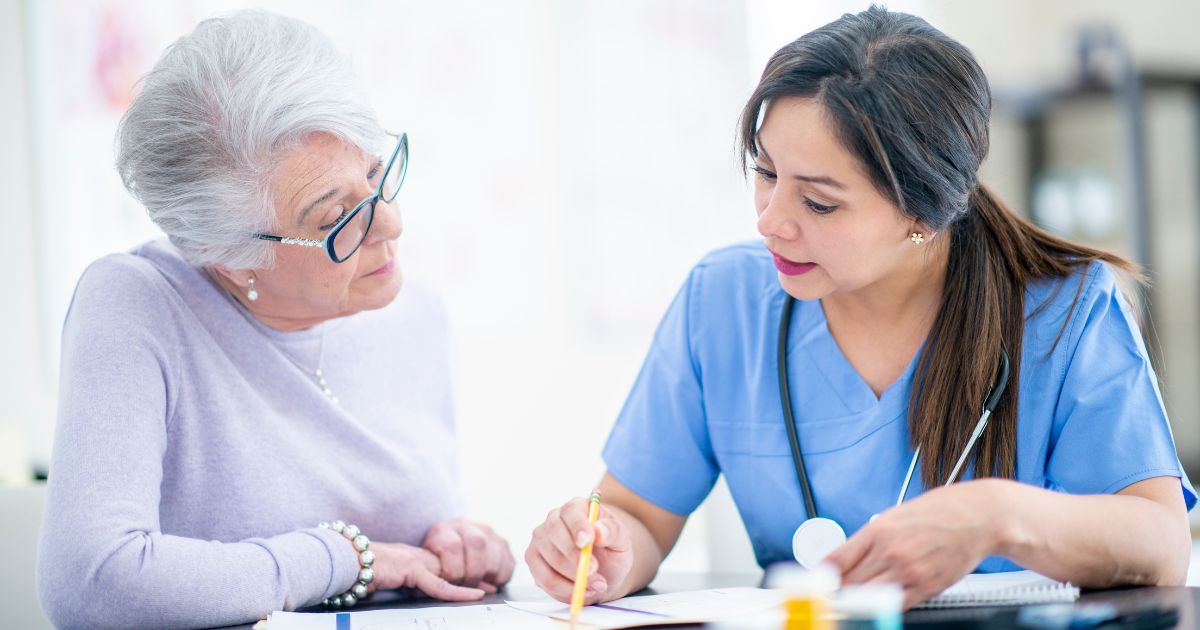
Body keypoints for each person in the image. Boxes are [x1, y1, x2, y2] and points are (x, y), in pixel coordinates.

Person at [526, 6, 1194, 609]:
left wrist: (996, 515)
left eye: (818, 202)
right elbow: (635, 514)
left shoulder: (1066, 312)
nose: (771, 222)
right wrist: (604, 547)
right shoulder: (723, 303)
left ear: (922, 215)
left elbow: (1160, 543)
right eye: (765, 173)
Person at [36, 11, 513, 629]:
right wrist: (346, 558)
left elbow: (417, 554)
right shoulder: (136, 303)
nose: (390, 225)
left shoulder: (410, 309)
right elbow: (91, 582)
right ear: (230, 260)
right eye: (335, 217)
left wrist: (465, 549)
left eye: (375, 174)